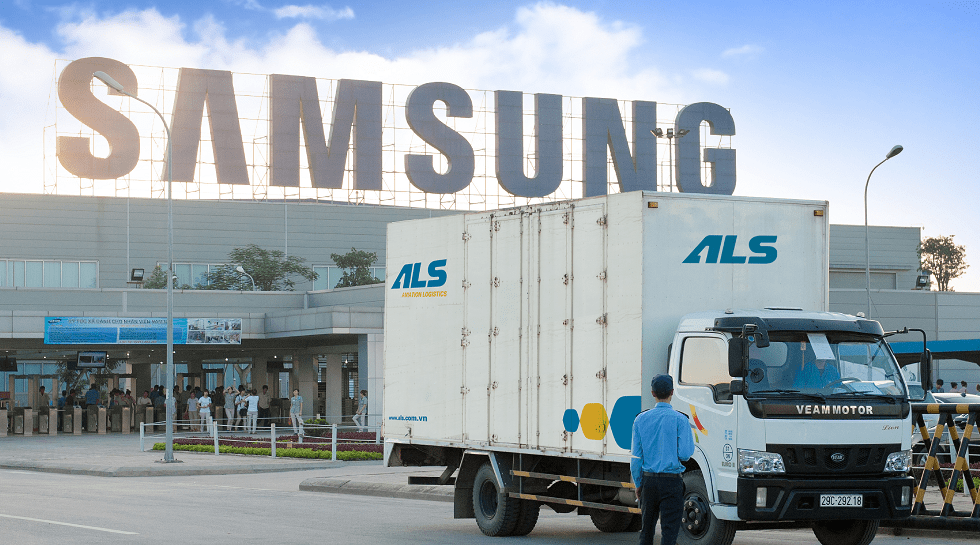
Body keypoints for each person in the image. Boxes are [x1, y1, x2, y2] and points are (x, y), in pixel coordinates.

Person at [631, 375, 694, 545]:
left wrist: (638, 484)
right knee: (669, 534)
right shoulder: (681, 420)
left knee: (646, 532)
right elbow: (685, 454)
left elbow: (636, 458)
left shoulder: (640, 419)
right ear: (672, 392)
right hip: (672, 483)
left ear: (653, 393)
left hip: (648, 482)